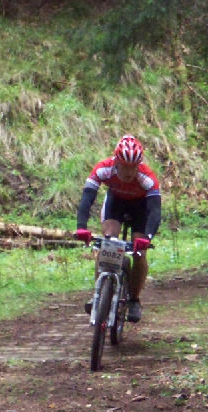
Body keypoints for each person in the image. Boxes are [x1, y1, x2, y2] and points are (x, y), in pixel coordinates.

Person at [74, 135, 162, 323]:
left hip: (141, 208)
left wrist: (147, 237)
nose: (130, 172)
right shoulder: (103, 168)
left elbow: (155, 211)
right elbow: (87, 199)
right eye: (125, 166)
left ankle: (134, 299)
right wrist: (81, 227)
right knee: (108, 242)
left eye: (134, 167)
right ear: (116, 162)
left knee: (139, 254)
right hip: (116, 205)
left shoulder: (147, 177)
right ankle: (99, 292)